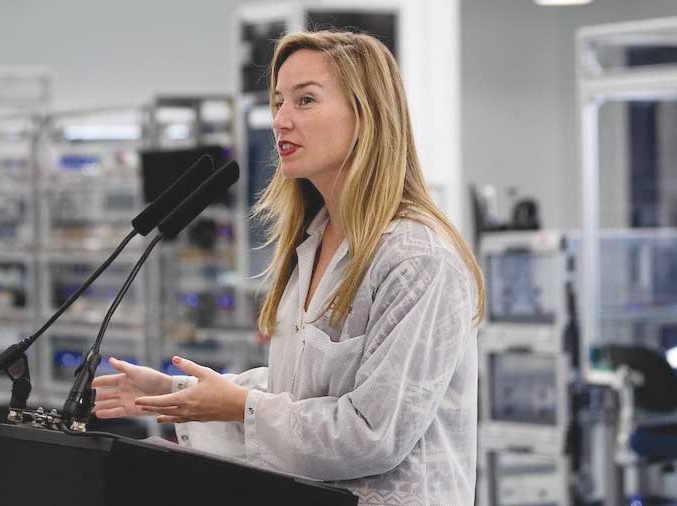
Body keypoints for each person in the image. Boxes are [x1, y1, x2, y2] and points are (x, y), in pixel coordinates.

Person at [92, 30, 485, 506]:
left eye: (305, 101)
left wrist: (238, 406)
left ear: (367, 113)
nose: (281, 120)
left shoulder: (417, 259)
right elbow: (298, 393)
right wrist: (180, 396)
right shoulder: (315, 240)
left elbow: (371, 434)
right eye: (278, 101)